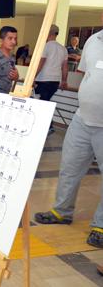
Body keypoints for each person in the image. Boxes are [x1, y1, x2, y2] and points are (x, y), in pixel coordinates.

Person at [34, 25, 103, 249]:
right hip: (82, 118)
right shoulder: (94, 40)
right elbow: (87, 74)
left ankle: (100, 225)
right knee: (69, 167)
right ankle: (62, 211)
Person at [34, 24, 68, 133]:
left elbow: (41, 63)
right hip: (55, 81)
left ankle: (48, 127)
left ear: (48, 33)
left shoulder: (46, 46)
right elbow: (65, 67)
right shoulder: (63, 49)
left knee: (42, 104)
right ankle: (46, 126)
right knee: (45, 102)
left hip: (43, 79)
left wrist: (32, 77)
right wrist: (64, 81)